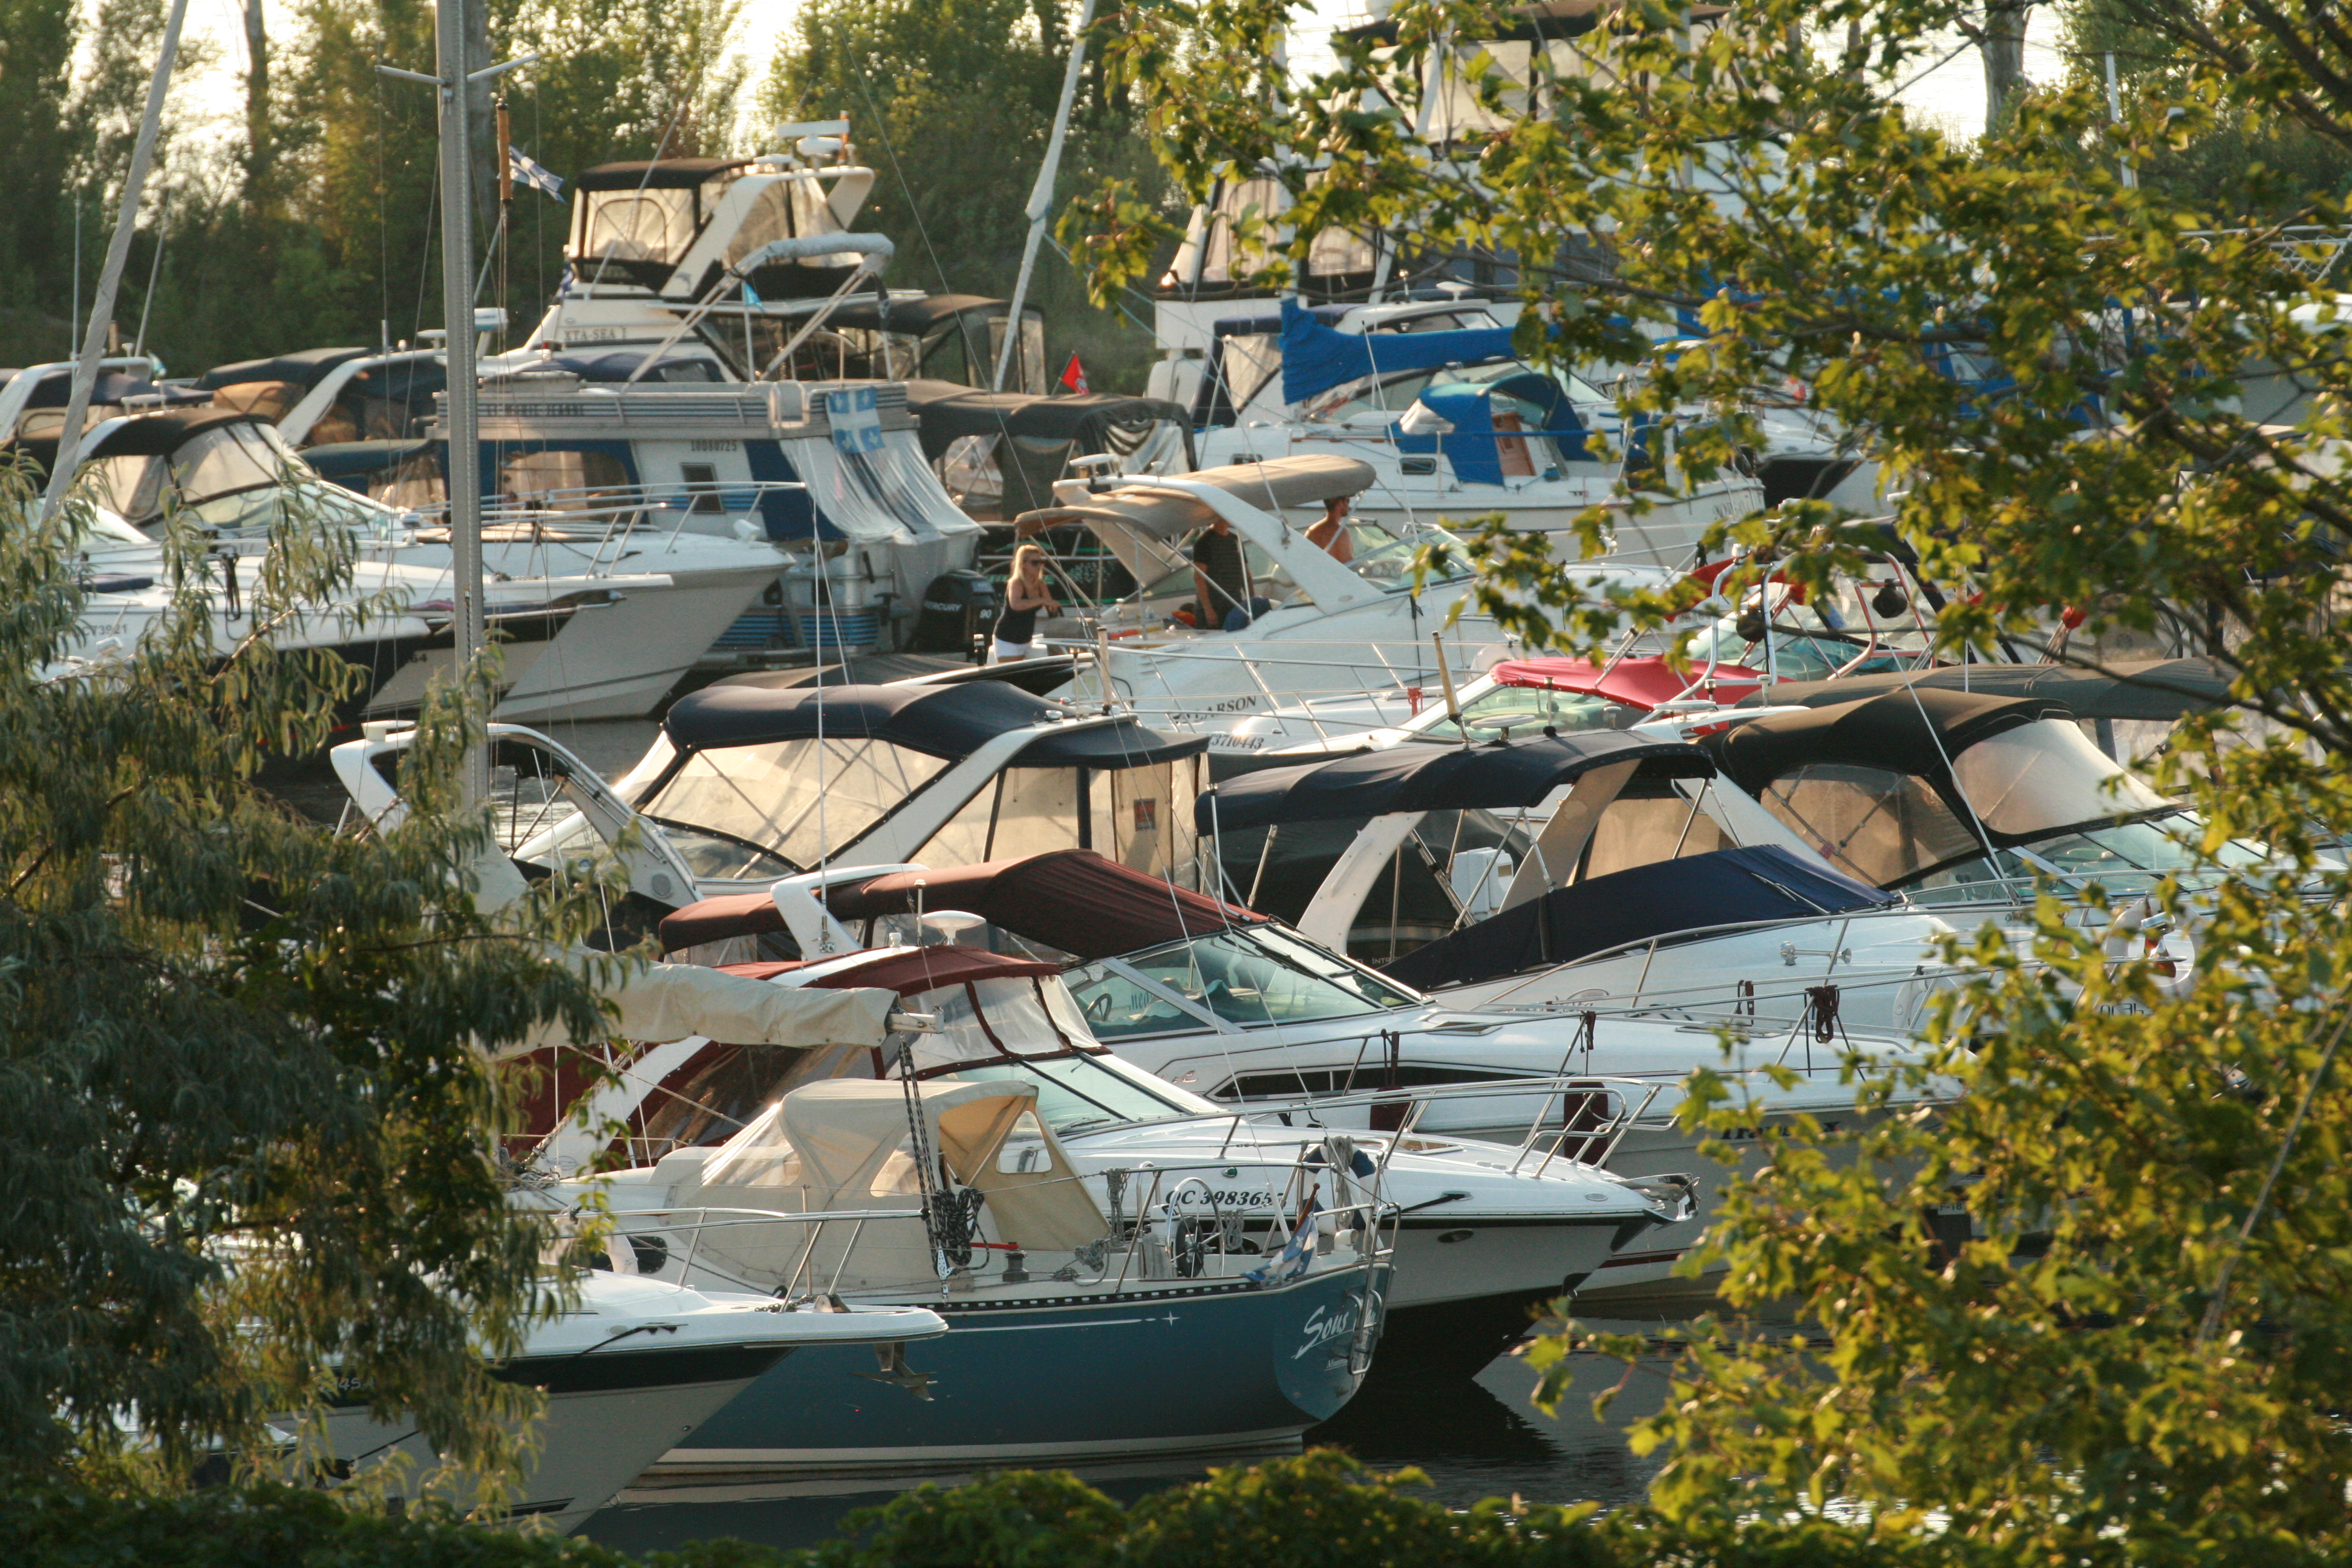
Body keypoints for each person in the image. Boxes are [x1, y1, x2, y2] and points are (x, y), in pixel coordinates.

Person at [1191, 515, 1263, 632]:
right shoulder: (1204, 541)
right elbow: (1199, 577)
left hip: (1235, 605)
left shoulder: (1235, 540)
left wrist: (1252, 603)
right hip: (1214, 607)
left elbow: (1245, 575)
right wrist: (1209, 611)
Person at [993, 543, 1059, 662]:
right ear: (1023, 564)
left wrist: (1053, 606)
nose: (1039, 566)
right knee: (1012, 675)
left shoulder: (1040, 584)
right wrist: (1042, 600)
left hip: (1026, 639)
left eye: (1040, 562)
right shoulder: (1016, 583)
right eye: (1035, 563)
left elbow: (1049, 604)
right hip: (1007, 638)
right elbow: (1016, 605)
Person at [1305, 495, 1356, 563]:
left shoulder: (1312, 530)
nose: (1349, 506)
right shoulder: (1340, 532)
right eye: (1347, 501)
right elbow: (1348, 562)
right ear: (1340, 503)